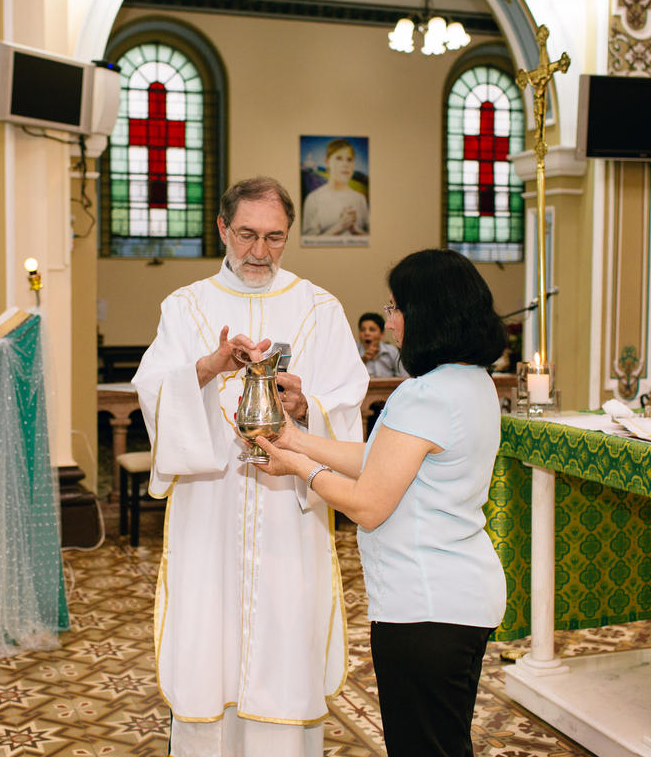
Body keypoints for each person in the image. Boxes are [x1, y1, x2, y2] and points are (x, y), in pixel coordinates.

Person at [132, 176, 368, 756]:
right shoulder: (185, 306)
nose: (260, 252)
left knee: (284, 651)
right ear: (222, 228)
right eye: (247, 235)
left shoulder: (320, 308)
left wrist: (302, 406)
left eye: (275, 238)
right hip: (209, 514)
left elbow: (347, 404)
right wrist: (209, 365)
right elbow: (153, 394)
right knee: (208, 650)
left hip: (291, 517)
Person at [255, 248, 509, 757]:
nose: (389, 320)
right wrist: (295, 437)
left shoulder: (423, 394)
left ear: (426, 312)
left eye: (395, 308)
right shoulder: (472, 381)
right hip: (461, 594)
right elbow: (380, 456)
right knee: (444, 742)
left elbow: (368, 504)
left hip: (426, 607)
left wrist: (297, 467)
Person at [301, 139, 369, 237]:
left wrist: (355, 229)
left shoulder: (360, 199)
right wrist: (340, 226)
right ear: (327, 162)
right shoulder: (313, 199)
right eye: (339, 158)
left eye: (349, 159)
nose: (345, 164)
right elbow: (308, 242)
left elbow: (372, 240)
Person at [357, 312, 407, 378]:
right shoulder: (353, 351)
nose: (367, 333)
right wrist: (363, 361)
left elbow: (403, 377)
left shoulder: (392, 351)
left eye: (372, 330)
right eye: (362, 330)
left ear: (382, 334)